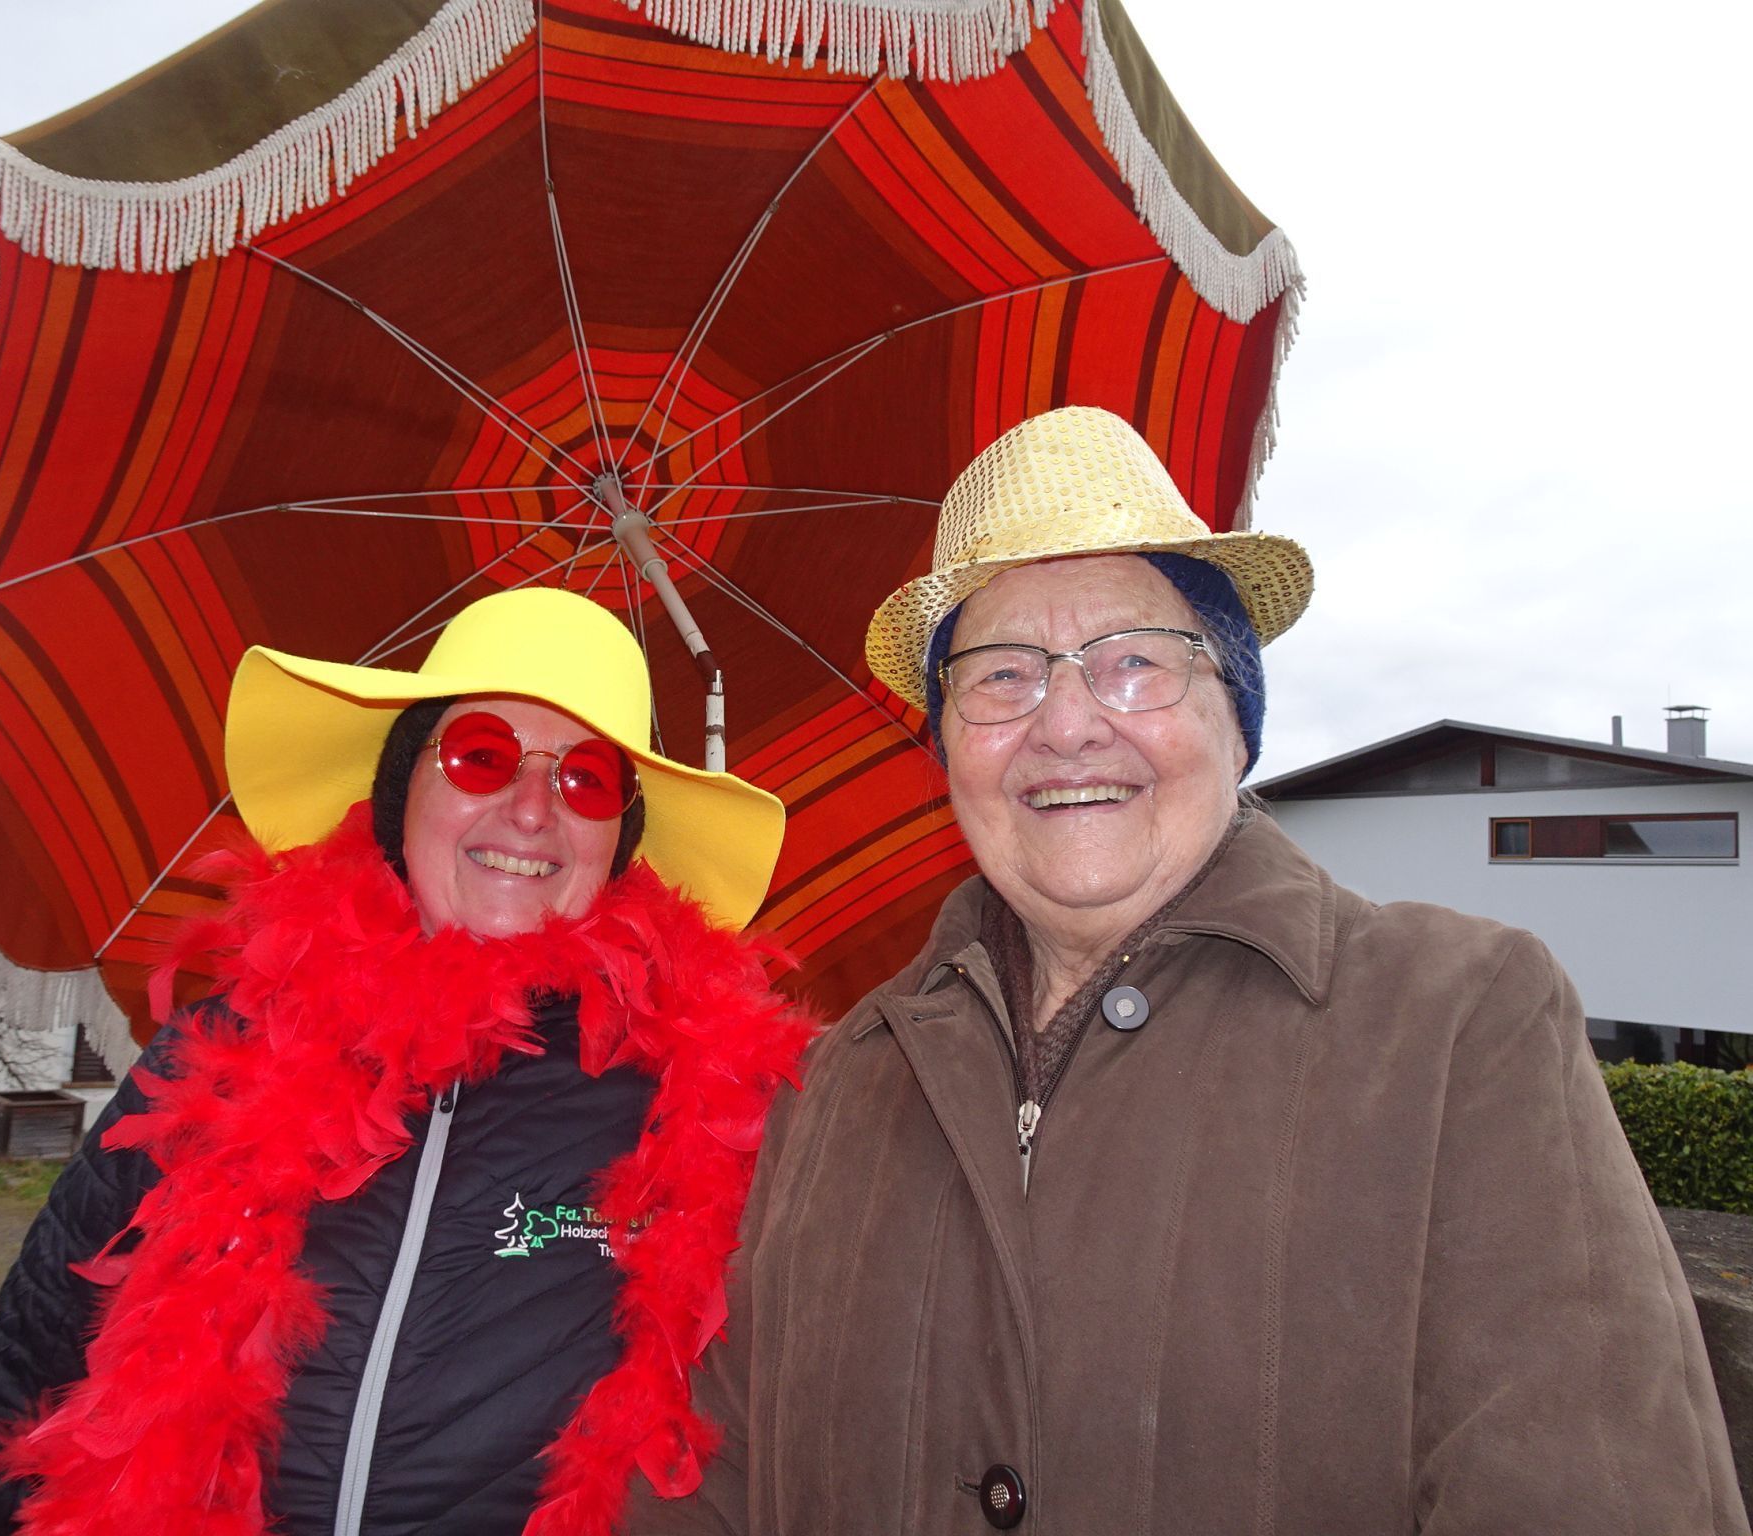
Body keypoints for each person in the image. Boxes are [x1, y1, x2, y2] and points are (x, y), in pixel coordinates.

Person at [629, 408, 1748, 1534]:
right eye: (1000, 675)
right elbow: (711, 1486)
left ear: (1234, 718)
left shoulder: (1459, 1024)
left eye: (1131, 665)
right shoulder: (827, 1091)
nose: (1064, 724)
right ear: (946, 745)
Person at [0, 587, 813, 1536]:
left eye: (585, 780)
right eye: (483, 756)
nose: (533, 810)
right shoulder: (220, 1054)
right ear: (400, 790)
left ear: (618, 839)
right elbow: (24, 1381)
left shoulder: (704, 1111)